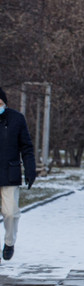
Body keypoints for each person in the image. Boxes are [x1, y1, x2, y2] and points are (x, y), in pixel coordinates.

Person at [0, 87, 37, 262]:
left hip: (9, 174)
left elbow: (26, 147)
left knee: (10, 213)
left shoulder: (16, 119)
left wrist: (30, 169)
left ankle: (9, 242)